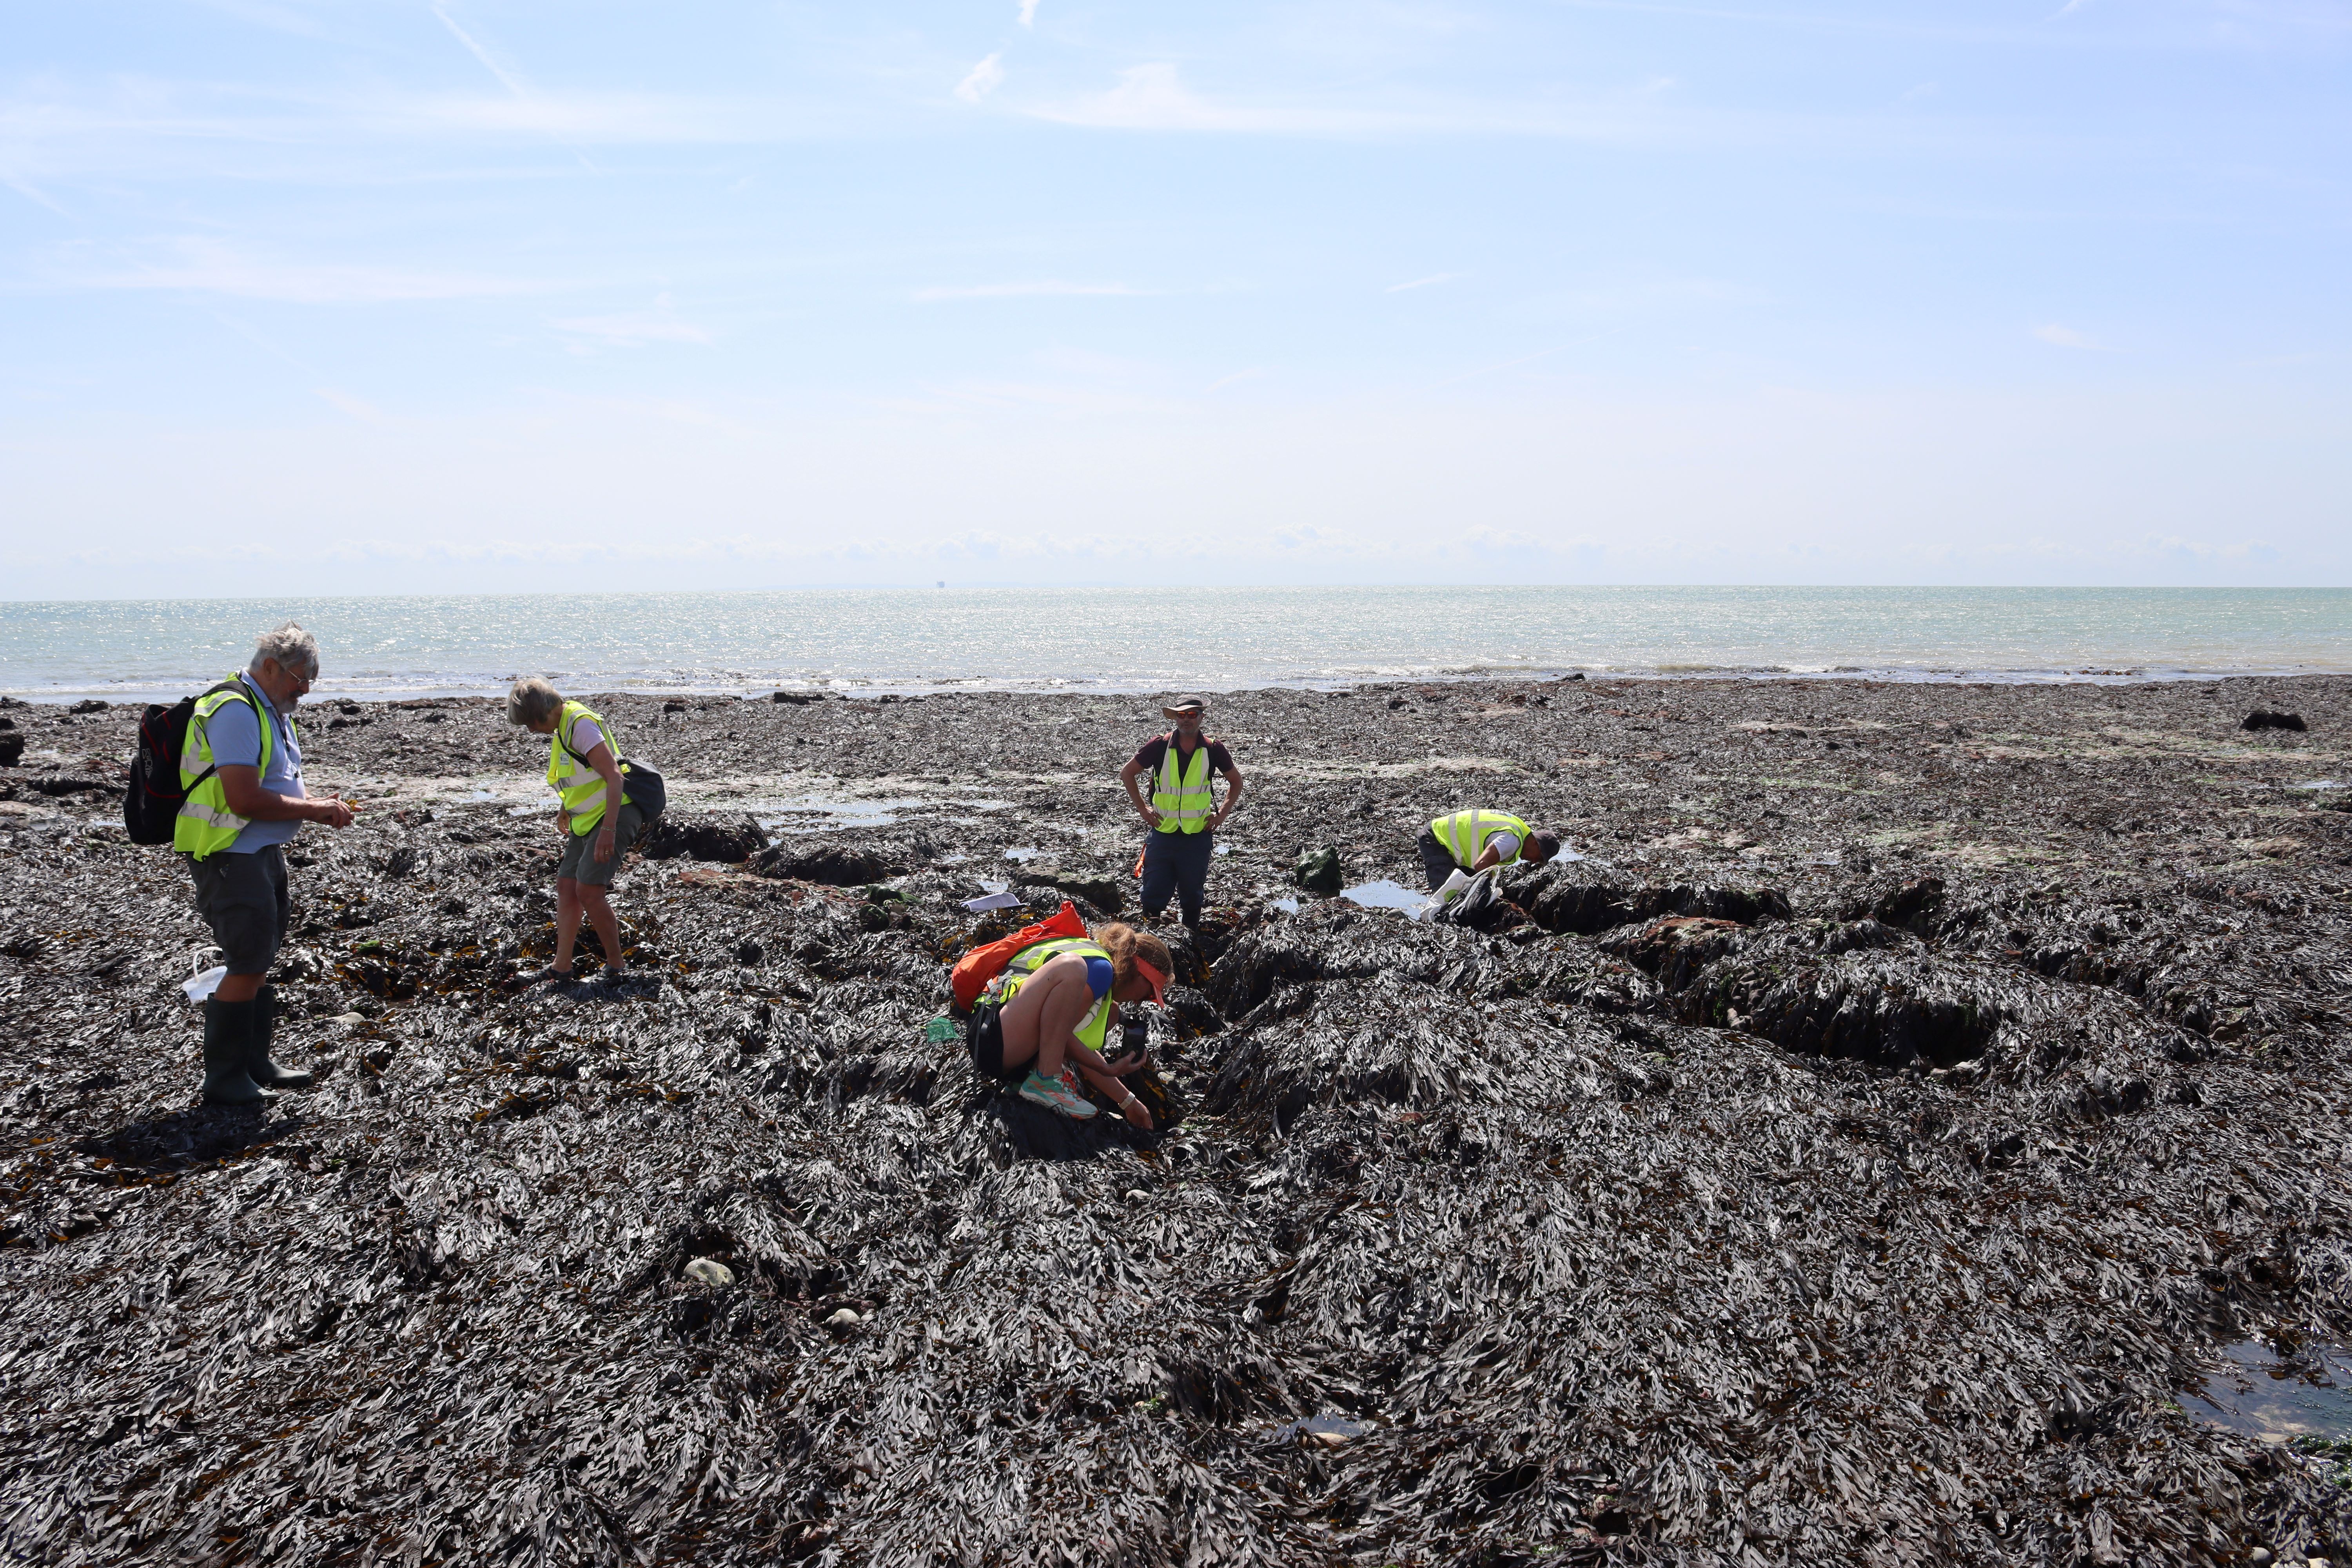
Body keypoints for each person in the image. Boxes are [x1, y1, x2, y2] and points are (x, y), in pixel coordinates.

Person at [177, 623, 358, 1106]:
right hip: (230, 852)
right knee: (248, 958)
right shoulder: (236, 708)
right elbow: (243, 797)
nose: (305, 689)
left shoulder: (268, 707)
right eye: (301, 677)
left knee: (261, 954)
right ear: (271, 665)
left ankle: (256, 1062)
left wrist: (311, 802)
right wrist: (313, 808)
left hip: (258, 850)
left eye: (312, 681)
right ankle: (224, 1077)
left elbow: (273, 782)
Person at [505, 678, 646, 988]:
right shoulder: (562, 727)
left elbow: (614, 777)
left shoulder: (580, 725)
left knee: (590, 891)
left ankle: (616, 967)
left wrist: (609, 830)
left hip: (614, 815)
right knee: (567, 887)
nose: (530, 731)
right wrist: (566, 807)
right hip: (586, 819)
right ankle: (561, 967)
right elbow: (577, 776)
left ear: (541, 713)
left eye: (529, 724)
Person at [969, 923, 1172, 1127]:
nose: (1140, 1002)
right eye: (1148, 994)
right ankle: (1045, 1080)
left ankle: (1026, 1082)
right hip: (993, 1038)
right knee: (1073, 967)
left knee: (1111, 1013)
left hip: (1001, 1039)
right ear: (1138, 973)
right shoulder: (1100, 969)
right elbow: (1063, 1039)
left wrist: (1129, 1102)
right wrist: (1106, 1068)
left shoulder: (1101, 981)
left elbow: (1068, 1043)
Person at [1119, 695, 1245, 927]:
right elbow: (1127, 773)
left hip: (1196, 837)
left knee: (1192, 895)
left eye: (1192, 715)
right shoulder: (1159, 745)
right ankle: (1151, 936)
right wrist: (1143, 809)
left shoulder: (1213, 748)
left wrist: (1221, 815)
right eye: (1182, 715)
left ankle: (1191, 937)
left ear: (1201, 718)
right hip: (1163, 834)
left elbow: (1236, 782)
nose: (1186, 720)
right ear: (1176, 717)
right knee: (1154, 892)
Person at [1419, 809, 1561, 891]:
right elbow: (1481, 865)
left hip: (1447, 839)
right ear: (1536, 844)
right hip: (1438, 838)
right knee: (1445, 893)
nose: (1536, 861)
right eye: (1540, 857)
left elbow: (1483, 868)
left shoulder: (1519, 830)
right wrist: (1489, 891)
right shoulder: (1512, 840)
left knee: (1462, 890)